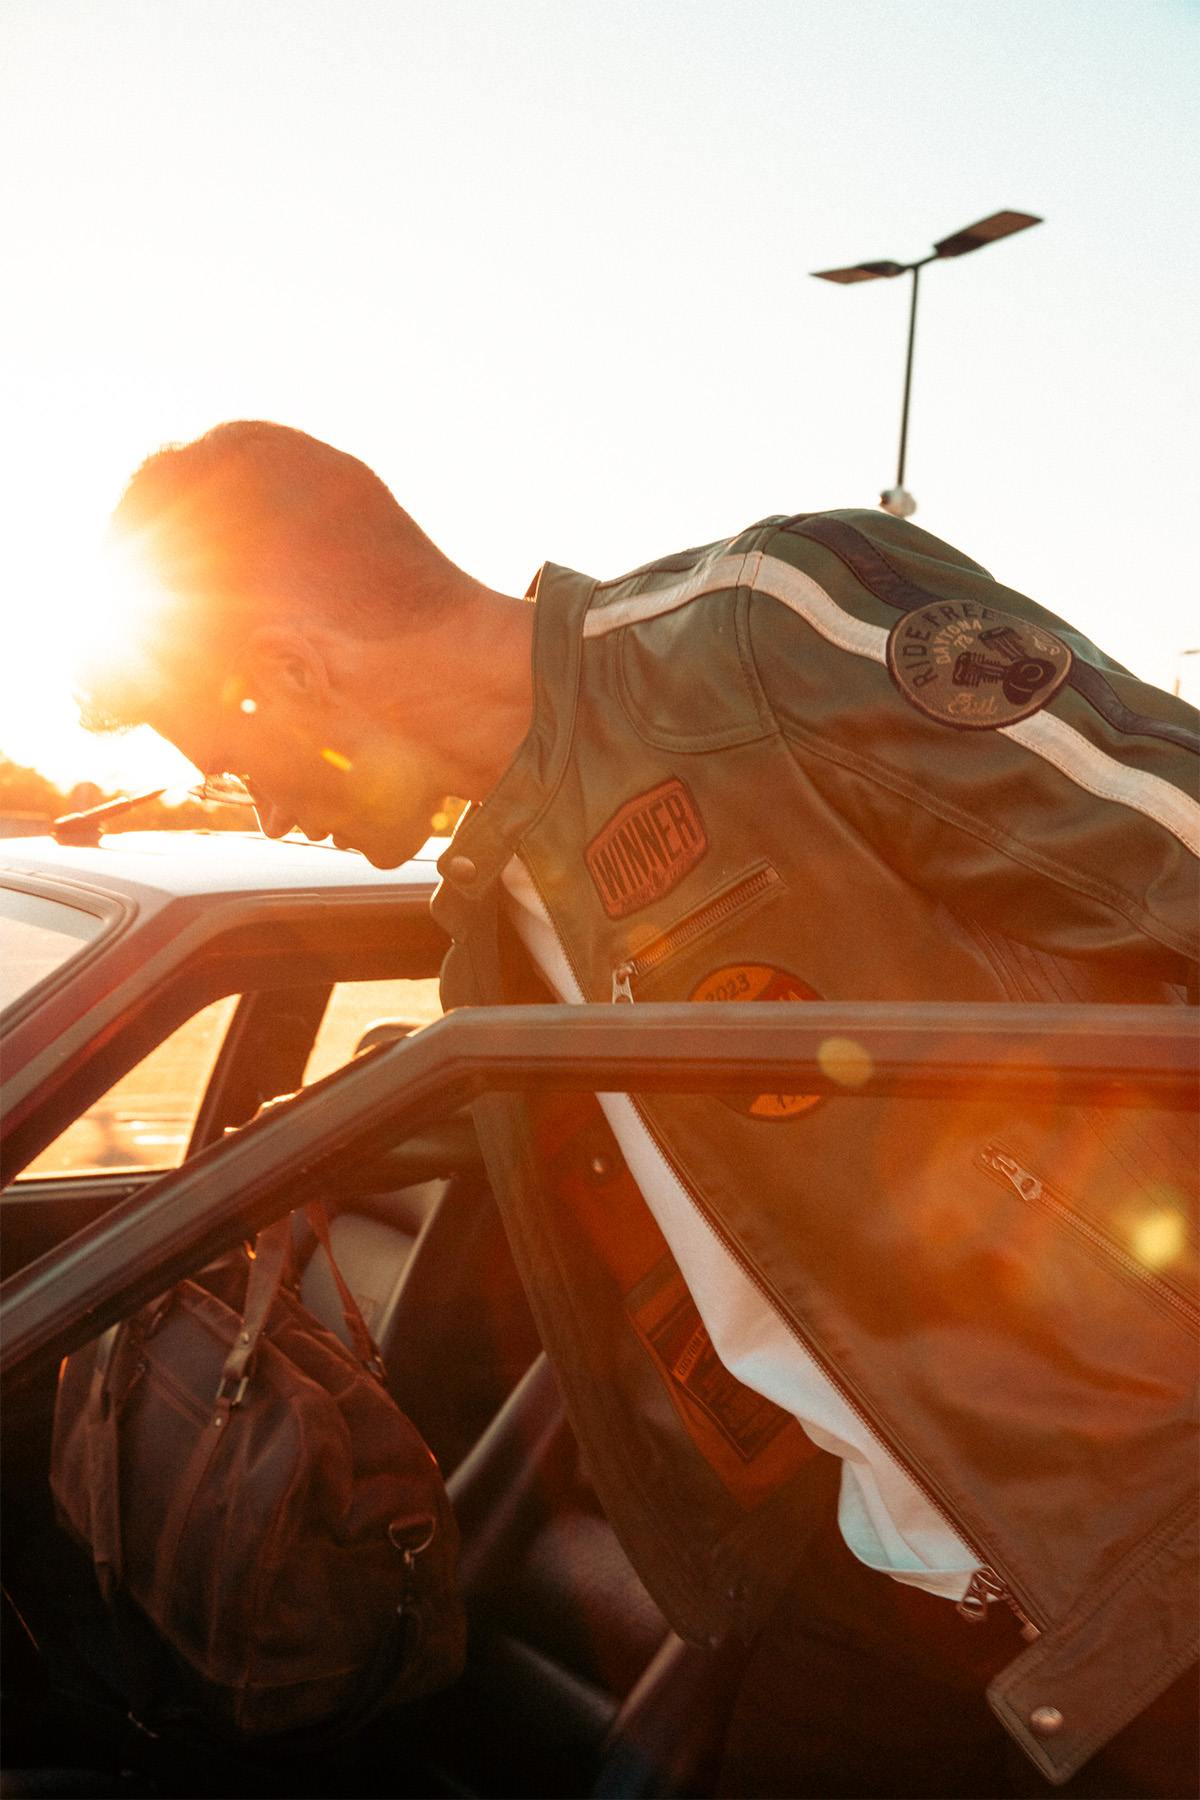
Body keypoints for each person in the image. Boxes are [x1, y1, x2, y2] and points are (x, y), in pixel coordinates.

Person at [82, 420, 1199, 1798]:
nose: (254, 805)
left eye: (228, 754)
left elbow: (1179, 843)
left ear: (293, 672)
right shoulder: (496, 920)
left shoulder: (760, 639)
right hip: (881, 1584)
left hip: (1152, 1560)